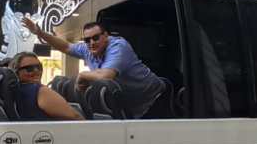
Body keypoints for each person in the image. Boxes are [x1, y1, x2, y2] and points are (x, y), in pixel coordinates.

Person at [21, 19, 164, 118]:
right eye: (87, 40)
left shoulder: (118, 46)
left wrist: (83, 75)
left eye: (96, 38)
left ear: (106, 36)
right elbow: (65, 46)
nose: (91, 43)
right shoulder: (87, 48)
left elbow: (106, 76)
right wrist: (39, 33)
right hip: (134, 105)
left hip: (155, 98)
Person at [9, 52, 83, 121]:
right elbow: (75, 117)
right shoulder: (39, 91)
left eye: (39, 67)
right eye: (29, 69)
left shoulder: (10, 92)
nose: (36, 71)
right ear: (16, 72)